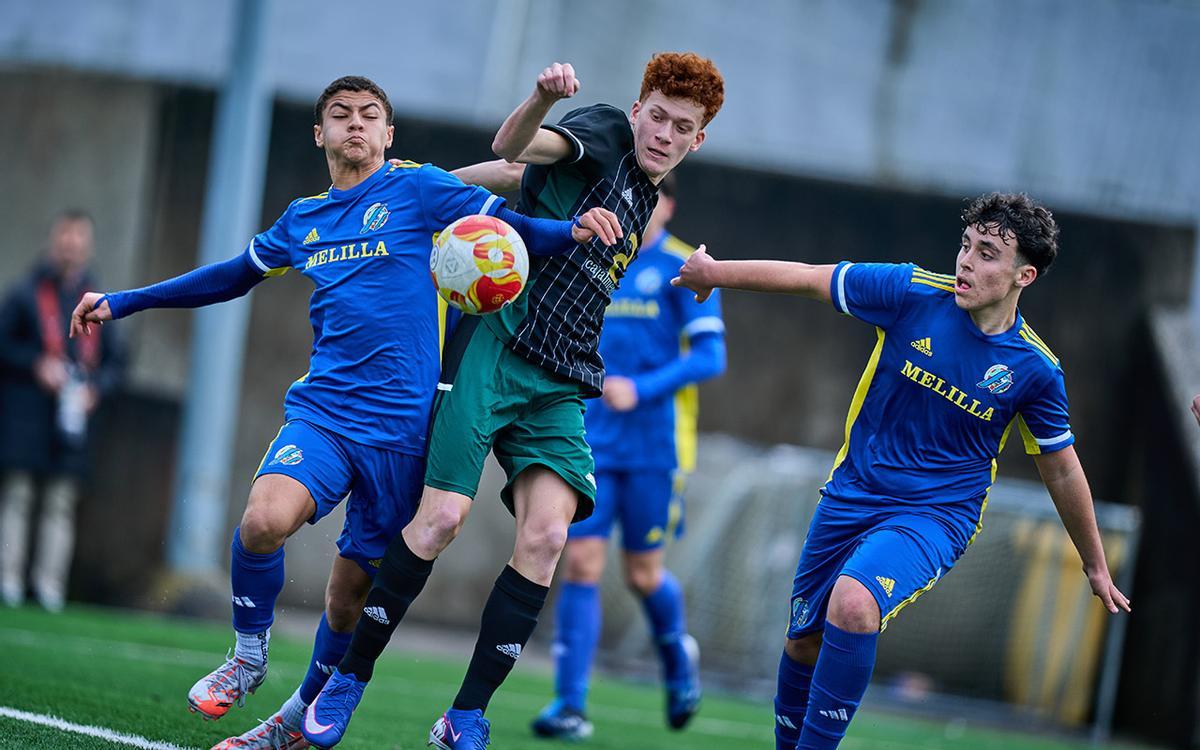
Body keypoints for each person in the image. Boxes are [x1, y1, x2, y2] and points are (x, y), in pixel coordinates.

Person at [69, 75, 616, 750]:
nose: (355, 124)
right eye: (340, 115)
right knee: (265, 520)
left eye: (369, 116)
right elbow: (229, 275)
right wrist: (125, 301)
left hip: (404, 434)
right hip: (325, 413)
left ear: (388, 135)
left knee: (347, 597)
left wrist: (572, 231)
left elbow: (511, 228)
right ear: (321, 133)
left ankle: (295, 722)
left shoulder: (418, 188)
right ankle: (247, 656)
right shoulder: (303, 219)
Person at [303, 53, 725, 750]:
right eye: (656, 116)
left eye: (682, 127)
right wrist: (538, 97)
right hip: (496, 348)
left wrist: (426, 182)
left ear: (697, 139)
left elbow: (513, 178)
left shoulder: (647, 197)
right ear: (638, 107)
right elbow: (517, 148)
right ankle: (352, 674)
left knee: (550, 538)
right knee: (440, 520)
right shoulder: (605, 131)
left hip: (561, 377)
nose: (663, 134)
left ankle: (465, 715)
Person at [671, 192, 1131, 750]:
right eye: (965, 246)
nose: (966, 261)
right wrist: (714, 272)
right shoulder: (910, 292)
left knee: (854, 601)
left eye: (987, 254)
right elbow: (810, 277)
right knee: (803, 644)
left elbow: (1061, 471)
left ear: (1023, 275)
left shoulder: (1034, 370)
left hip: (935, 516)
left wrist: (1095, 564)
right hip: (852, 495)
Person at [530, 172, 727, 740]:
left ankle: (676, 657)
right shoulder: (594, 259)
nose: (639, 205)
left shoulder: (687, 266)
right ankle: (570, 705)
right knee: (581, 563)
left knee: (643, 574)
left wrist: (640, 388)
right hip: (590, 441)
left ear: (665, 205)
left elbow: (710, 357)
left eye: (652, 196)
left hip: (655, 450)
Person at [0, 209, 124, 612]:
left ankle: (49, 586)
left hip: (73, 420)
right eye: (65, 236)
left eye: (78, 237)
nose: (70, 245)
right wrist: (36, 365)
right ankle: (9, 581)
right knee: (17, 496)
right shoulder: (25, 292)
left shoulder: (98, 298)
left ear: (87, 245)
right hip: (26, 414)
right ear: (55, 240)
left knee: (60, 503)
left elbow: (115, 363)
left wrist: (94, 390)